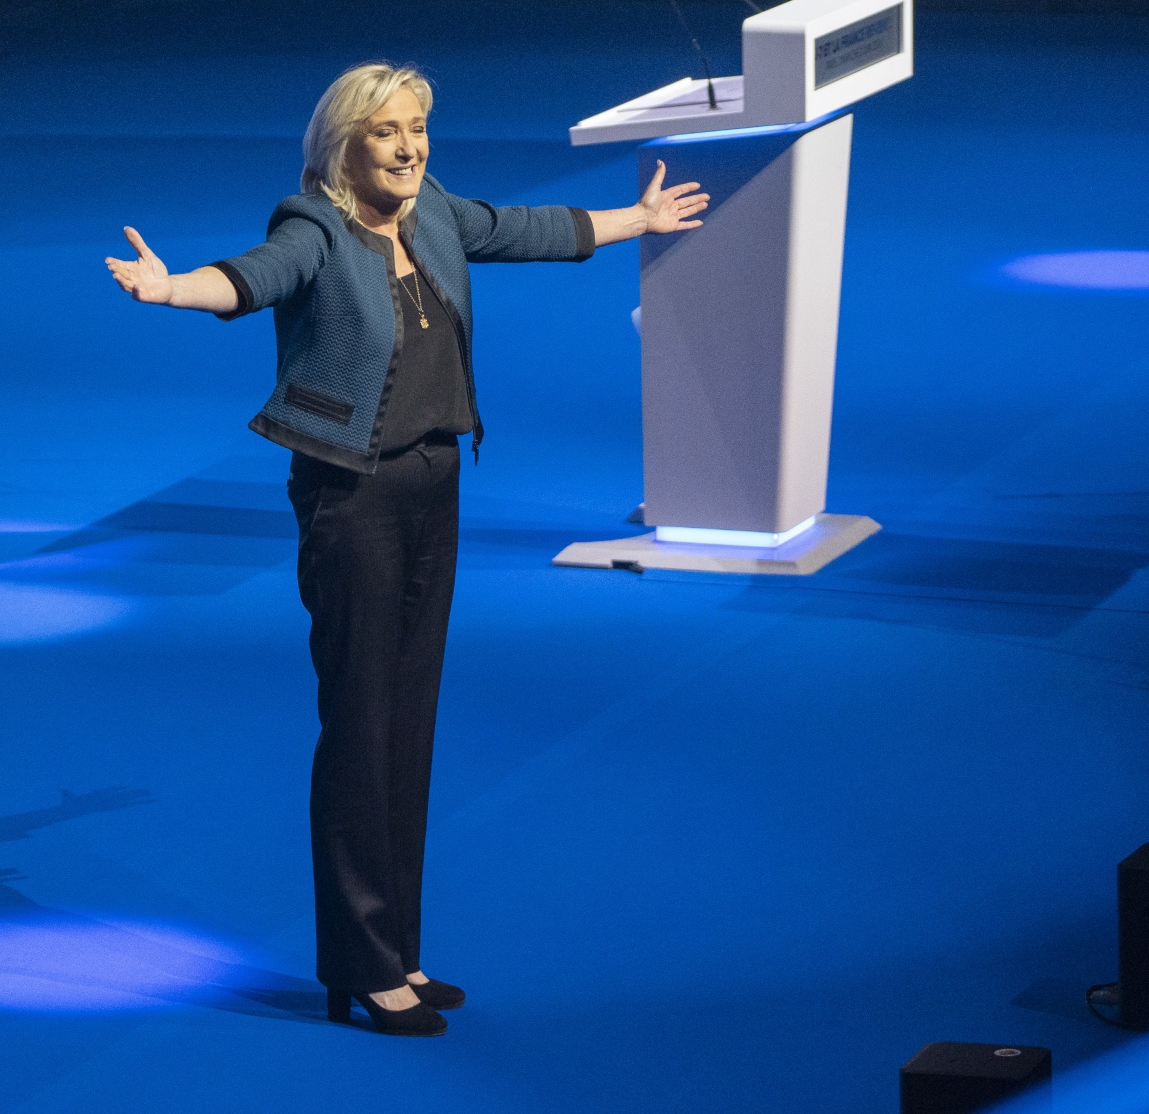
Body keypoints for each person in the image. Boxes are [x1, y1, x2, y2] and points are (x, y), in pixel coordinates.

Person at [103, 62, 709, 1036]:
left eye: (419, 127)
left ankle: (398, 952)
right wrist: (171, 287)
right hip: (352, 497)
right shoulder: (312, 225)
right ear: (345, 142)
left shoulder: (432, 214)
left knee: (408, 724)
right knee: (360, 726)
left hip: (434, 486)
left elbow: (527, 228)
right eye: (387, 131)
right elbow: (253, 280)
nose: (409, 145)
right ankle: (358, 962)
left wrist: (637, 219)